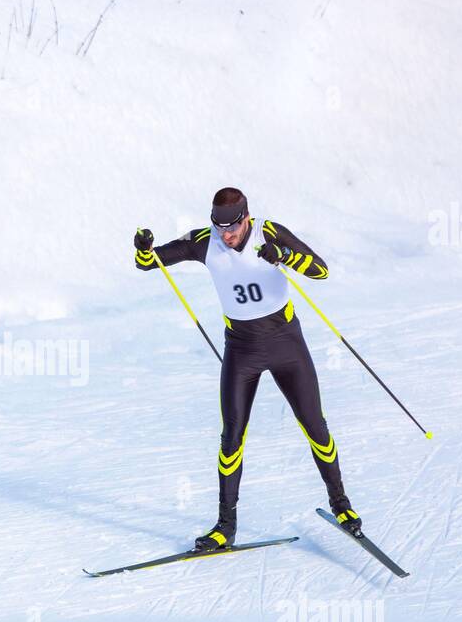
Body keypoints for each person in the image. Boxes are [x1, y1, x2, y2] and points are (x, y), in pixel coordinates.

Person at [134, 187, 362, 550]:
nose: (226, 235)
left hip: (286, 343)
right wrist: (144, 248)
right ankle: (226, 527)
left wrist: (285, 256)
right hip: (242, 349)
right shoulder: (204, 241)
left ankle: (342, 506)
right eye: (219, 227)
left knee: (314, 425)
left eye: (232, 227)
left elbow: (321, 270)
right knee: (231, 437)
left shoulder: (268, 233)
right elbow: (149, 263)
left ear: (246, 218)